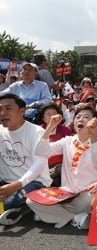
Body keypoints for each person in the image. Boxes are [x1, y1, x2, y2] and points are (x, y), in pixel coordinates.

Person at [26, 105, 97, 229]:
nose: (80, 119)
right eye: (78, 117)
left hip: (89, 193)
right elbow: (41, 151)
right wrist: (50, 127)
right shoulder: (67, 141)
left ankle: (54, 216)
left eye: (86, 117)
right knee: (31, 201)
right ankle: (76, 217)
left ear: (96, 122)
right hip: (67, 193)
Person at [0, 93, 52, 226]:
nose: (3, 113)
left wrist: (16, 185)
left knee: (7, 203)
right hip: (6, 181)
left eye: (8, 108)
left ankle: (23, 208)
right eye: (0, 109)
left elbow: (39, 164)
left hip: (34, 182)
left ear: (22, 111)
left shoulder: (37, 132)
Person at [35, 103, 72, 186]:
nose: (52, 117)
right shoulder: (37, 130)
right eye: (48, 114)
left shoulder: (65, 130)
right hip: (43, 166)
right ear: (43, 117)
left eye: (54, 114)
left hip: (61, 166)